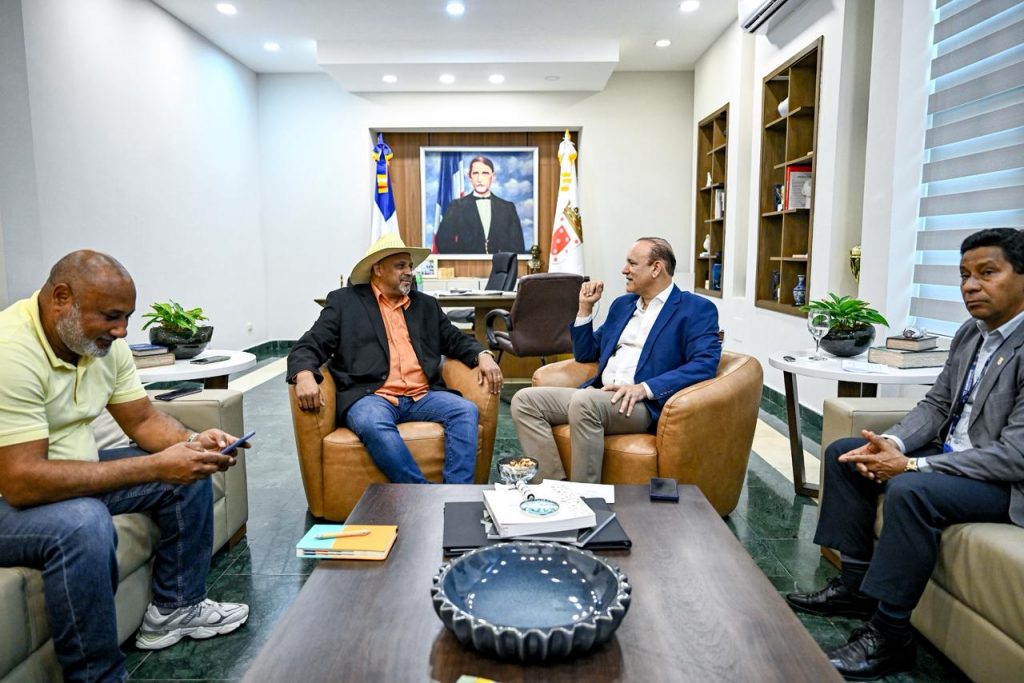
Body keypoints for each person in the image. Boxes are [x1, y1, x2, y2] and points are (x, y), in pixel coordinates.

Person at [786, 227, 1024, 680]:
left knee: (911, 490)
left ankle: (891, 636)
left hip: (1005, 482)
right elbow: (937, 404)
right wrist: (891, 445)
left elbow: (1015, 455)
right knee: (847, 454)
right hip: (953, 453)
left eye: (987, 273)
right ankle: (855, 586)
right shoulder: (970, 334)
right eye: (964, 275)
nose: (971, 286)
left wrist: (912, 464)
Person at [0, 250, 250, 682]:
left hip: (67, 474)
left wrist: (193, 443)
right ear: (61, 298)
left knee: (188, 467)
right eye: (111, 317)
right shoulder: (11, 352)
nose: (122, 331)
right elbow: (22, 481)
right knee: (83, 523)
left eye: (127, 317)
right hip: (11, 496)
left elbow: (144, 420)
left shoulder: (102, 346)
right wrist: (156, 467)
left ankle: (175, 609)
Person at [287, 233, 503, 484]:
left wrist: (483, 355)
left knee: (465, 411)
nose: (409, 272)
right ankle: (423, 494)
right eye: (400, 266)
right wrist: (303, 373)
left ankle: (457, 494)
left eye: (410, 266)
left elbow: (455, 339)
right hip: (371, 396)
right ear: (378, 269)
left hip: (423, 395)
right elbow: (310, 343)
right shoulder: (345, 303)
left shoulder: (426, 305)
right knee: (371, 422)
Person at [511, 237, 721, 482]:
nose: (624, 270)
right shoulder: (623, 305)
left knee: (585, 401)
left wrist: (645, 388)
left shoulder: (695, 309)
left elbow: (704, 363)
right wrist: (585, 309)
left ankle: (586, 496)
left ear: (656, 268)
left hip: (641, 404)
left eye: (632, 263)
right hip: (599, 396)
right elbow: (586, 353)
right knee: (525, 401)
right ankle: (553, 487)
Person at [433, 156, 527, 255]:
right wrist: (464, 258)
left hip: (501, 264)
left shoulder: (508, 208)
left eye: (485, 173)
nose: (480, 179)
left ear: (493, 177)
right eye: (475, 173)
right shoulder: (456, 206)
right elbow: (443, 241)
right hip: (467, 264)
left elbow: (518, 247)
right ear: (469, 177)